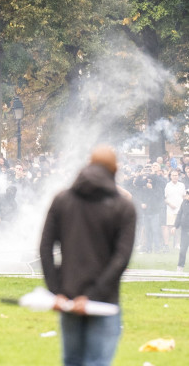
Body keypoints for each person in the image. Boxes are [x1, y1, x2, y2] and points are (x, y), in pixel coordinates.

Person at [39, 145, 136, 366]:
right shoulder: (123, 206)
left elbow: (45, 249)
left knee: (72, 361)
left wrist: (57, 291)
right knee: (97, 362)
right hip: (104, 300)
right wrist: (93, 294)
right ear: (115, 169)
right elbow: (121, 258)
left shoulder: (62, 199)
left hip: (69, 296)